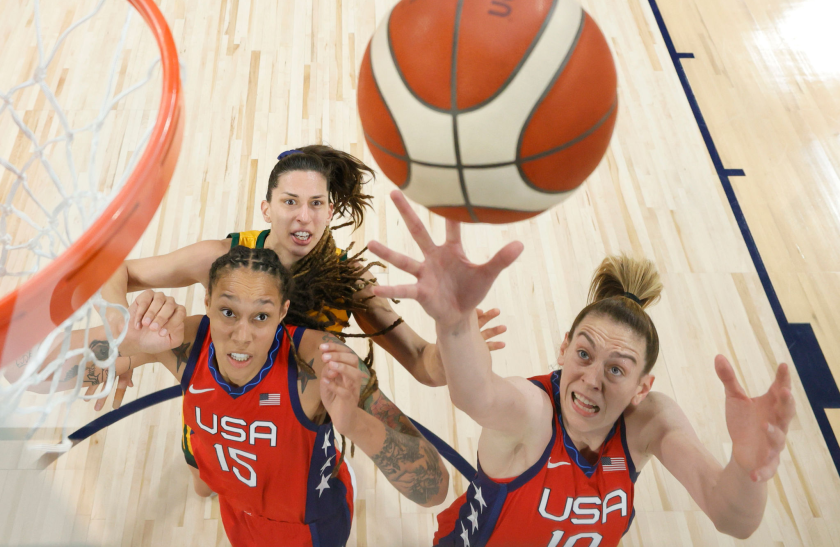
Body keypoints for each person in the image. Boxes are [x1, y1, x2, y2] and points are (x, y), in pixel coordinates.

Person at [366, 191, 796, 546]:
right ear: (564, 349)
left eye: (616, 370)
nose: (591, 380)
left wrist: (746, 467)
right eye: (585, 355)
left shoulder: (650, 422)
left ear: (642, 387)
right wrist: (455, 325)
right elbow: (475, 393)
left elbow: (733, 519)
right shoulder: (532, 415)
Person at [98, 145, 504, 406]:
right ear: (266, 208)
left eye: (315, 204)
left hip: (299, 408)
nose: (303, 217)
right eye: (289, 202)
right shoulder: (223, 257)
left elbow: (421, 362)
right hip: (222, 396)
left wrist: (457, 339)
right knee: (205, 484)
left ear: (330, 212)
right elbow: (116, 267)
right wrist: (121, 329)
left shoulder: (349, 281)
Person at [103, 245, 449, 546]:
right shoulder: (184, 340)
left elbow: (435, 489)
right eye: (228, 313)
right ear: (207, 302)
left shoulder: (320, 362)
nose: (241, 336)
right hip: (238, 512)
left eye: (261, 317)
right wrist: (123, 335)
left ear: (281, 313)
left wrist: (353, 422)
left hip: (310, 530)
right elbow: (54, 365)